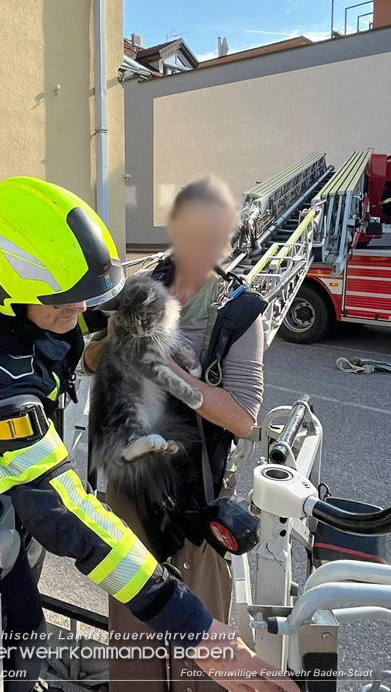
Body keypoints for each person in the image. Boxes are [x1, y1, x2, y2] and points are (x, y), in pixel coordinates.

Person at [0, 177, 295, 692]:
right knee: (21, 642)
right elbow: (62, 509)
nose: (76, 314)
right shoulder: (0, 380)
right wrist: (202, 634)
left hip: (34, 490)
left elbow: (80, 322)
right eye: (62, 304)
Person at [83, 175, 265, 691]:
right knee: (135, 638)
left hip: (195, 500)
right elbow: (90, 362)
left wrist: (172, 373)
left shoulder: (237, 314)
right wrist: (116, 336)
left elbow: (243, 418)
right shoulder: (145, 288)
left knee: (200, 649)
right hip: (130, 493)